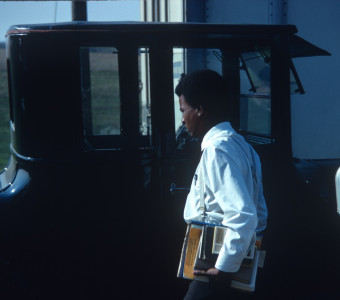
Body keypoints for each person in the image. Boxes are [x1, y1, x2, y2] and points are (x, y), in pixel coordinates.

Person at [175, 70, 268, 299]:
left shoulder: (217, 150)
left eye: (184, 111)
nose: (182, 119)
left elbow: (243, 214)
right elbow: (260, 213)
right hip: (233, 261)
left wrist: (224, 266)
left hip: (214, 263)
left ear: (200, 109)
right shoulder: (243, 145)